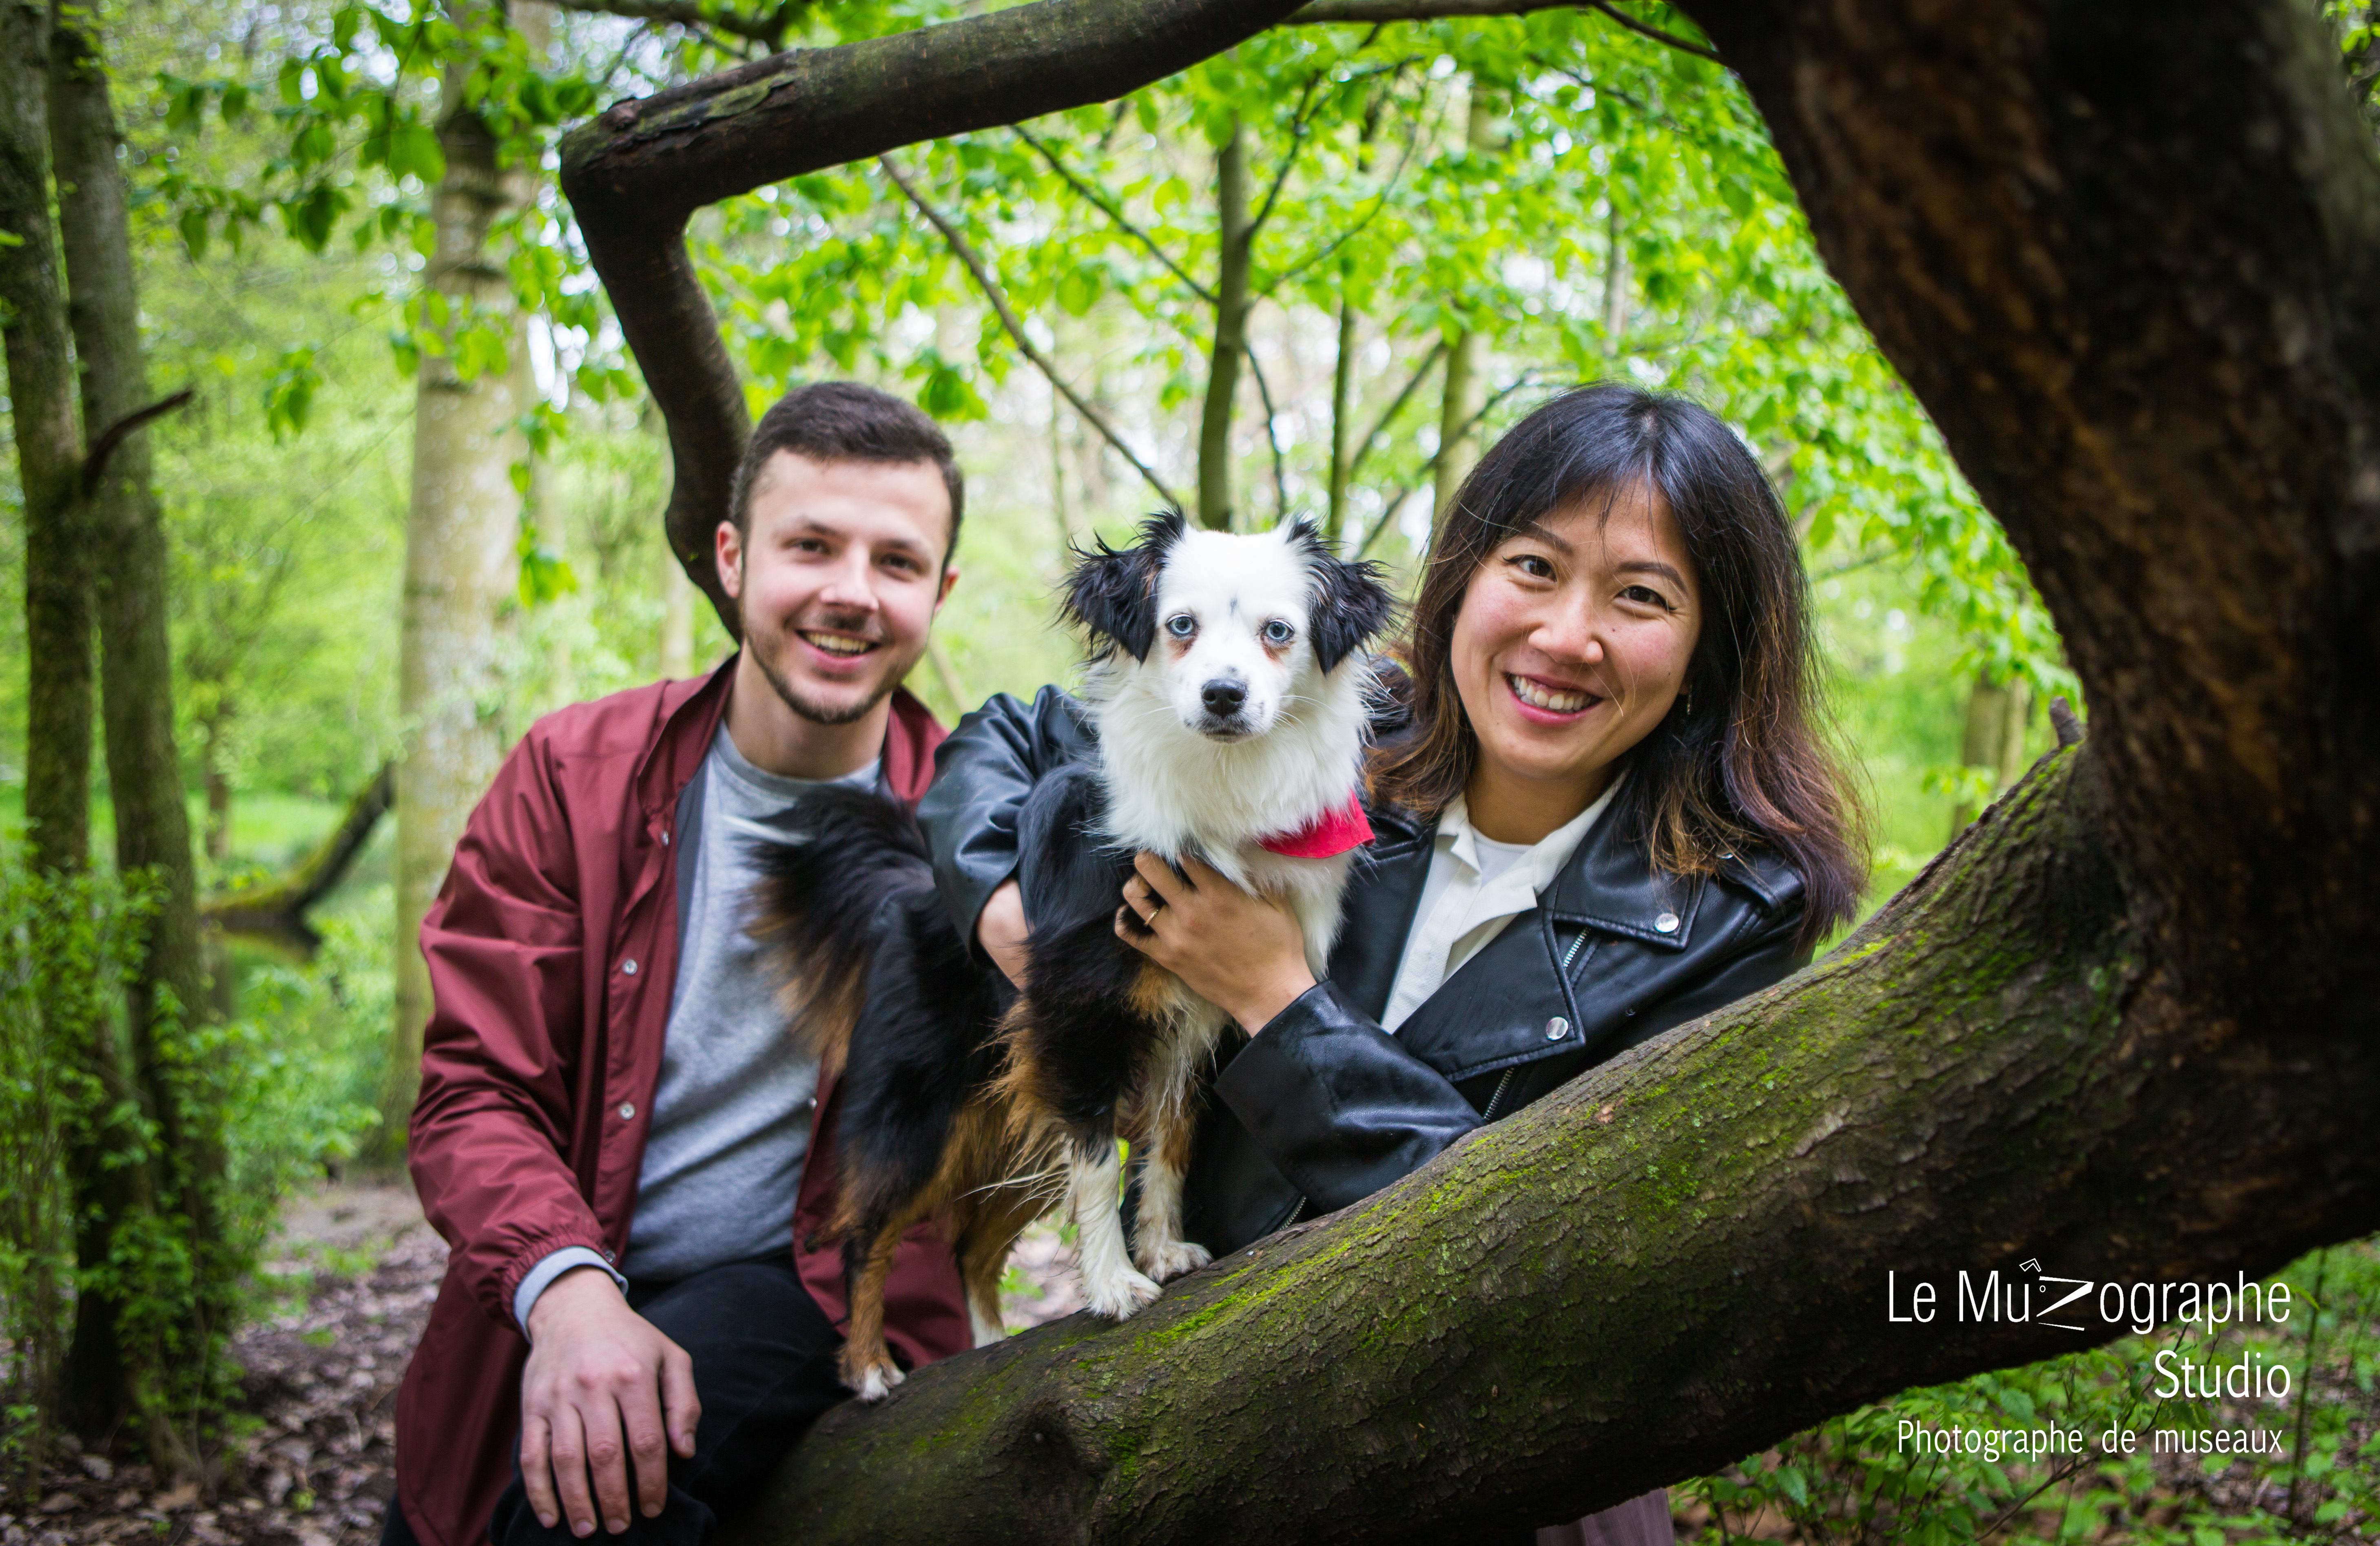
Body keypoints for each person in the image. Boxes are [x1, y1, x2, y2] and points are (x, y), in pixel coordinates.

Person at [919, 385, 1867, 1545]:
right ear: (1463, 574)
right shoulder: (1321, 723)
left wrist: (1280, 1000)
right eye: (1533, 566)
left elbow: (1564, 1253)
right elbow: (1013, 736)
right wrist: (1013, 916)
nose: (1568, 635)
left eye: (1640, 596)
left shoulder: (1734, 917)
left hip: (1500, 1467)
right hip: (1204, 1401)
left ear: (1711, 640)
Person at [385, 383, 975, 1546]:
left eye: (897, 562)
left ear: (941, 592)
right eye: (811, 546)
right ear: (731, 557)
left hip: (809, 1284)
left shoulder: (976, 827)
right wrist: (568, 1289)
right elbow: (472, 1093)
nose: (851, 593)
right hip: (559, 1267)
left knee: (591, 1502)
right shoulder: (576, 773)